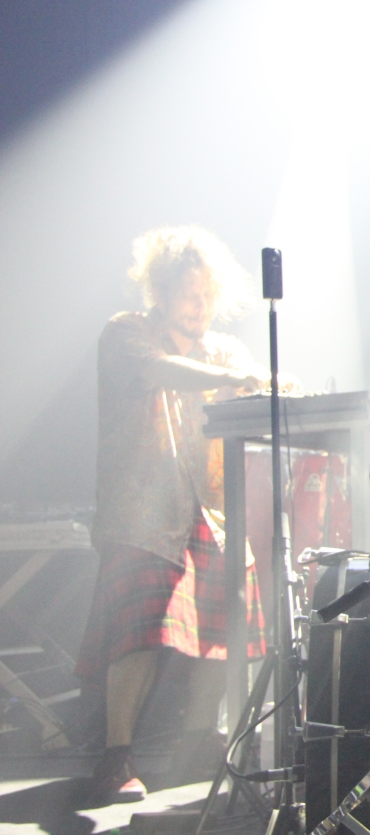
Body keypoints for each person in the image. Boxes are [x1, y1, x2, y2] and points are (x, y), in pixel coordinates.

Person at [76, 226, 269, 805]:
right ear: (160, 291)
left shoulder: (223, 350)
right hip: (142, 513)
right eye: (189, 294)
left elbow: (254, 389)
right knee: (137, 633)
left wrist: (266, 385)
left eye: (207, 295)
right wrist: (235, 379)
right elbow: (161, 370)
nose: (199, 306)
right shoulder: (126, 332)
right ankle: (116, 756)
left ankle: (199, 740)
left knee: (228, 619)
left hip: (208, 513)